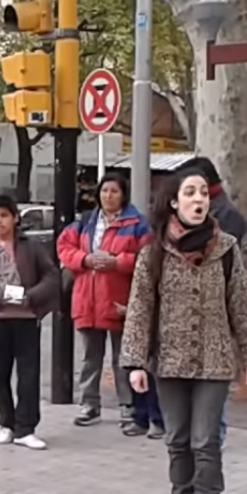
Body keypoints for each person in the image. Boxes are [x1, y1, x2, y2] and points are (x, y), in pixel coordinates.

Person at [121, 169, 247, 494]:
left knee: (206, 441)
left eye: (203, 192)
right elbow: (139, 308)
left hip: (214, 360)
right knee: (177, 440)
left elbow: (241, 305)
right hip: (169, 360)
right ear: (174, 202)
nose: (198, 199)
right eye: (189, 192)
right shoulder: (153, 251)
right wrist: (135, 362)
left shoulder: (226, 248)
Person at [57, 172, 151, 432]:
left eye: (114, 191)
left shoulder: (138, 224)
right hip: (88, 298)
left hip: (120, 300)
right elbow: (64, 246)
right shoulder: (86, 221)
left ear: (124, 195)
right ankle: (89, 404)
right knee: (90, 357)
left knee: (124, 357)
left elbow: (148, 258)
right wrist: (84, 260)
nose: (108, 196)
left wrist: (117, 262)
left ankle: (128, 407)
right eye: (105, 191)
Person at [0, 194, 60, 450]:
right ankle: (6, 424)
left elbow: (52, 276)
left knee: (28, 375)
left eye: (4, 216)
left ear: (15, 218)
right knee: (0, 374)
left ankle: (25, 427)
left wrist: (31, 296)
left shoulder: (30, 248)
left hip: (26, 318)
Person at [173, 155, 247, 446]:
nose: (194, 199)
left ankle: (213, 439)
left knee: (212, 386)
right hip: (185, 319)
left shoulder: (224, 218)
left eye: (198, 191)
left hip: (213, 314)